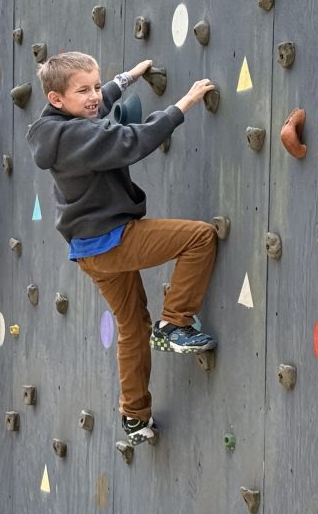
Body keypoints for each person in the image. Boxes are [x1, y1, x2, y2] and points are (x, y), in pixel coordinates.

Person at [26, 52, 218, 446]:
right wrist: (184, 104)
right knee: (199, 237)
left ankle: (134, 416)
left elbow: (96, 104)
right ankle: (175, 323)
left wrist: (129, 77)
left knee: (131, 327)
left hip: (90, 250)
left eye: (96, 86)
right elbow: (133, 140)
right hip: (113, 240)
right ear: (57, 99)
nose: (94, 96)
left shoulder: (58, 124)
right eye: (84, 90)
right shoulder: (77, 136)